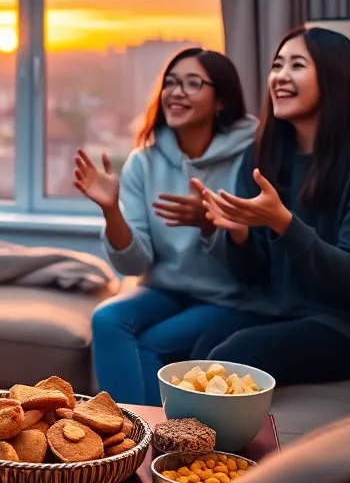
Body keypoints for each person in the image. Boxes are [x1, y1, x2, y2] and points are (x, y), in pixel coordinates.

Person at [193, 26, 350, 386]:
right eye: (277, 65)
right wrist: (240, 235)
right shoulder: (261, 155)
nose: (280, 77)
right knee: (196, 349)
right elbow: (251, 276)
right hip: (272, 312)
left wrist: (284, 224)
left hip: (340, 326)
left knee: (234, 358)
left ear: (335, 78)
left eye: (297, 65)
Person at [77, 47, 258, 406]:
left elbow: (255, 256)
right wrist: (112, 210)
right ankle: (126, 441)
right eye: (171, 83)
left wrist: (209, 224)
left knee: (150, 343)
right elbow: (134, 264)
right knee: (107, 318)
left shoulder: (249, 157)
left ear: (220, 100)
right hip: (164, 289)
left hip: (227, 297)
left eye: (193, 84)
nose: (176, 92)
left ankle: (140, 445)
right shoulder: (143, 162)